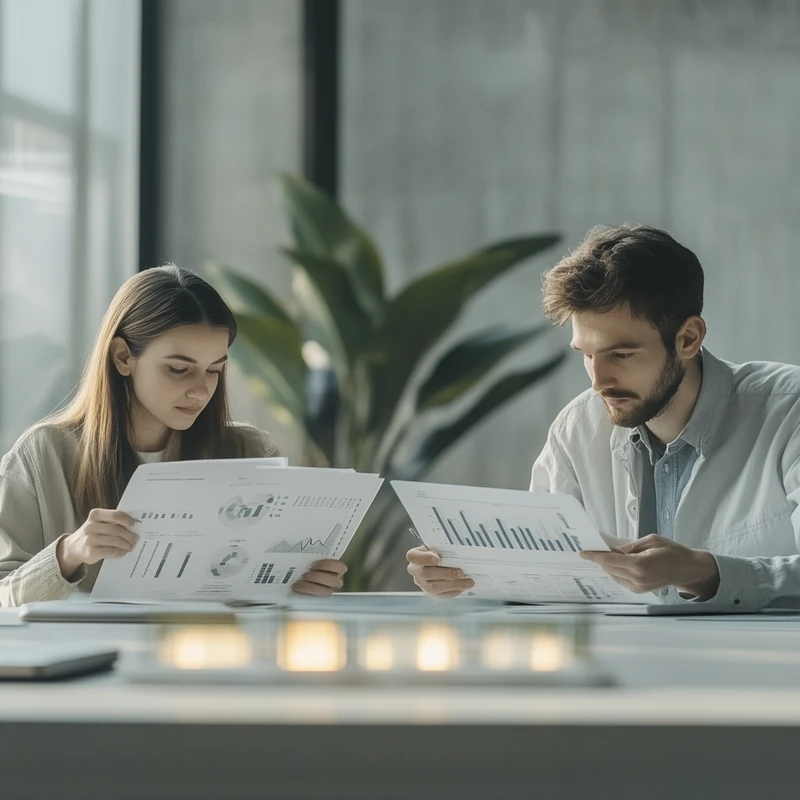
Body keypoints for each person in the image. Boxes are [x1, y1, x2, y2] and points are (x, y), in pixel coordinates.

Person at [408, 224, 800, 610]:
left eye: (622, 355)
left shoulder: (789, 412)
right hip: (617, 665)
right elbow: (540, 573)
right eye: (586, 354)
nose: (598, 381)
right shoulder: (576, 428)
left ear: (688, 338)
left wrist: (704, 572)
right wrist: (465, 574)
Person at [0, 266, 346, 606]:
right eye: (179, 369)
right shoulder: (42, 455)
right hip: (82, 659)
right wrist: (70, 552)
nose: (200, 391)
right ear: (123, 357)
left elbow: (257, 591)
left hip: (210, 654)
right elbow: (4, 595)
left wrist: (298, 583)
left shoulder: (250, 451)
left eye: (214, 371)